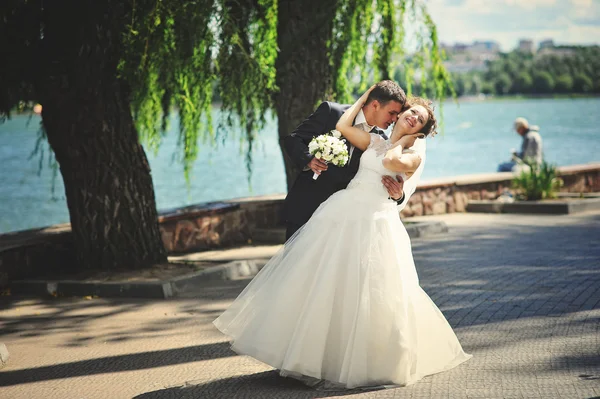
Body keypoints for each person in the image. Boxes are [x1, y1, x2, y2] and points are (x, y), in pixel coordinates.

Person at [213, 88, 472, 390]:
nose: (408, 117)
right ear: (389, 109)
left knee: (365, 290)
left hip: (373, 221)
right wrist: (361, 101)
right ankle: (304, 357)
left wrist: (404, 146)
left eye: (419, 119)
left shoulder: (410, 150)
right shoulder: (370, 134)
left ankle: (356, 360)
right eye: (407, 112)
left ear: (421, 130)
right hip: (337, 211)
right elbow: (333, 131)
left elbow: (393, 167)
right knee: (315, 282)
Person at [282, 80, 408, 240]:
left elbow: (382, 182)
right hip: (306, 209)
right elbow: (293, 140)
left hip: (342, 222)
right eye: (392, 113)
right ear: (375, 105)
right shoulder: (331, 112)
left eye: (397, 115)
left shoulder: (381, 142)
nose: (394, 119)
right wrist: (309, 159)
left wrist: (399, 196)